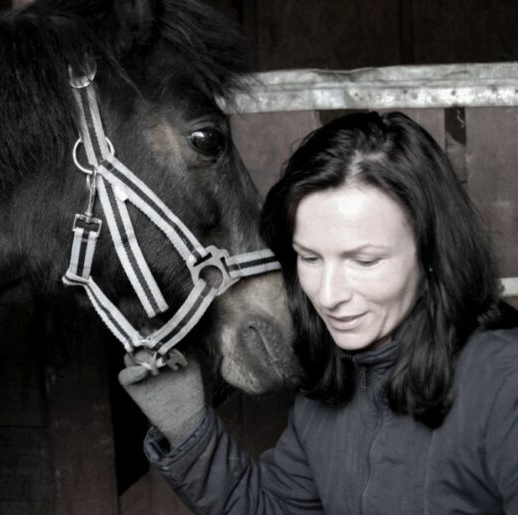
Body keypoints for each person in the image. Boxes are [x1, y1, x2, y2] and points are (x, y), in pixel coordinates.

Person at [119, 111, 518, 514]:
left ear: (432, 253)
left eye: (363, 261)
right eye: (310, 258)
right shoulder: (331, 385)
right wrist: (188, 427)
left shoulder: (505, 382)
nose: (328, 295)